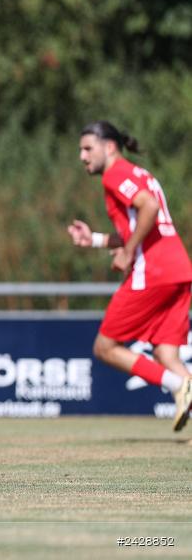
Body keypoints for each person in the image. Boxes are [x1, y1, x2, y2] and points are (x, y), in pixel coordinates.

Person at [68, 120, 192, 431]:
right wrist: (95, 240)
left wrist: (127, 252)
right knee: (166, 353)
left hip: (153, 271)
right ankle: (182, 384)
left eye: (87, 148)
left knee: (105, 347)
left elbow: (147, 207)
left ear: (109, 147)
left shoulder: (115, 173)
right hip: (178, 267)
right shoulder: (140, 173)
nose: (82, 156)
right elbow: (141, 225)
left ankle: (178, 387)